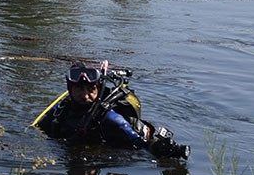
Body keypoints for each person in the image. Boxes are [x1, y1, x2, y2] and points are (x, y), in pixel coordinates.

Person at [35, 61, 189, 160]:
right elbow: (37, 131)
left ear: (98, 89)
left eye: (91, 89)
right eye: (79, 89)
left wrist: (160, 148)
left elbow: (140, 143)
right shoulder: (60, 110)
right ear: (70, 89)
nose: (85, 95)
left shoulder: (110, 118)